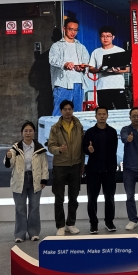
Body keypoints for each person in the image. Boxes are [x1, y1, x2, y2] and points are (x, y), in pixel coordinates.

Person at [4, 121, 49, 243]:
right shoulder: (15, 148)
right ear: (22, 133)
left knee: (34, 207)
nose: (28, 133)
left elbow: (44, 165)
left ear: (34, 133)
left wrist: (44, 179)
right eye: (26, 131)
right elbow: (9, 165)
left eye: (30, 131)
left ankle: (34, 233)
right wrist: (8, 157)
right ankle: (20, 234)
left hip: (35, 180)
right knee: (20, 208)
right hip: (19, 180)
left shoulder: (39, 148)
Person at [47, 100, 84, 236]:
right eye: (65, 109)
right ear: (61, 111)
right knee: (59, 198)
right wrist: (59, 149)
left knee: (74, 198)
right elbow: (50, 146)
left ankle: (71, 223)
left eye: (70, 109)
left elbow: (82, 147)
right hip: (60, 166)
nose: (68, 111)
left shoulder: (78, 125)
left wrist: (82, 165)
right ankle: (60, 225)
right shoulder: (55, 128)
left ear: (73, 110)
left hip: (75, 166)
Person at [82, 106, 119, 234]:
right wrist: (89, 149)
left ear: (107, 116)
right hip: (93, 171)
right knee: (92, 198)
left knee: (109, 197)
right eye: (99, 114)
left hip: (109, 171)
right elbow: (84, 147)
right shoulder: (90, 132)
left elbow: (114, 150)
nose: (102, 116)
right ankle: (93, 223)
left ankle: (109, 222)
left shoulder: (112, 132)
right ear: (96, 116)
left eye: (104, 114)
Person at [49, 18, 90, 116]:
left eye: (76, 30)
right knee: (59, 112)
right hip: (63, 84)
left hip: (78, 83)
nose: (73, 32)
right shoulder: (56, 46)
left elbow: (87, 62)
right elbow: (52, 60)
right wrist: (65, 64)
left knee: (77, 113)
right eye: (70, 29)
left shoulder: (81, 47)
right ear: (64, 29)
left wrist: (82, 68)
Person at [88, 25, 129, 110]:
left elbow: (127, 69)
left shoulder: (120, 51)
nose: (105, 38)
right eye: (103, 36)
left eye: (108, 36)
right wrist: (99, 70)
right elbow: (90, 68)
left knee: (123, 111)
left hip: (117, 86)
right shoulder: (96, 52)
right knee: (104, 113)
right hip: (102, 87)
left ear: (113, 37)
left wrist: (117, 71)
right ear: (100, 37)